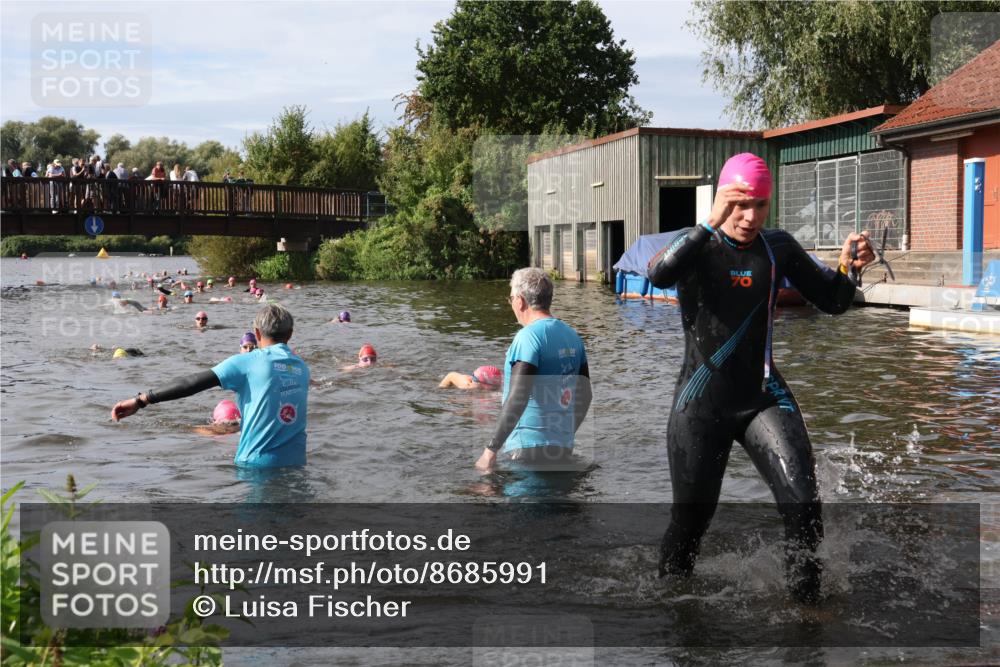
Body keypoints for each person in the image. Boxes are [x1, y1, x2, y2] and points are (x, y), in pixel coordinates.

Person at [646, 152, 875, 605]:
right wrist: (707, 223)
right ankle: (672, 609)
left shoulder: (778, 247)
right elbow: (658, 274)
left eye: (760, 206)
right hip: (701, 403)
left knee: (804, 505)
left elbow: (832, 302)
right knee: (692, 521)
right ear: (721, 200)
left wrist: (851, 269)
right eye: (739, 204)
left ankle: (807, 613)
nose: (750, 217)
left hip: (763, 396)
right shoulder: (698, 245)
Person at [110, 304, 310, 467]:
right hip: (297, 464)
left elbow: (191, 383)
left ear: (257, 334)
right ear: (290, 334)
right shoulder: (301, 366)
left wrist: (141, 400)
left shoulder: (247, 361)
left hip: (256, 465)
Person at [474, 268, 592, 472]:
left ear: (520, 300)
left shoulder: (528, 337)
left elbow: (518, 395)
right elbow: (586, 395)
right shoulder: (573, 337)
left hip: (525, 451)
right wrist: (566, 434)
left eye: (510, 298)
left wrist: (490, 450)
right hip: (562, 450)